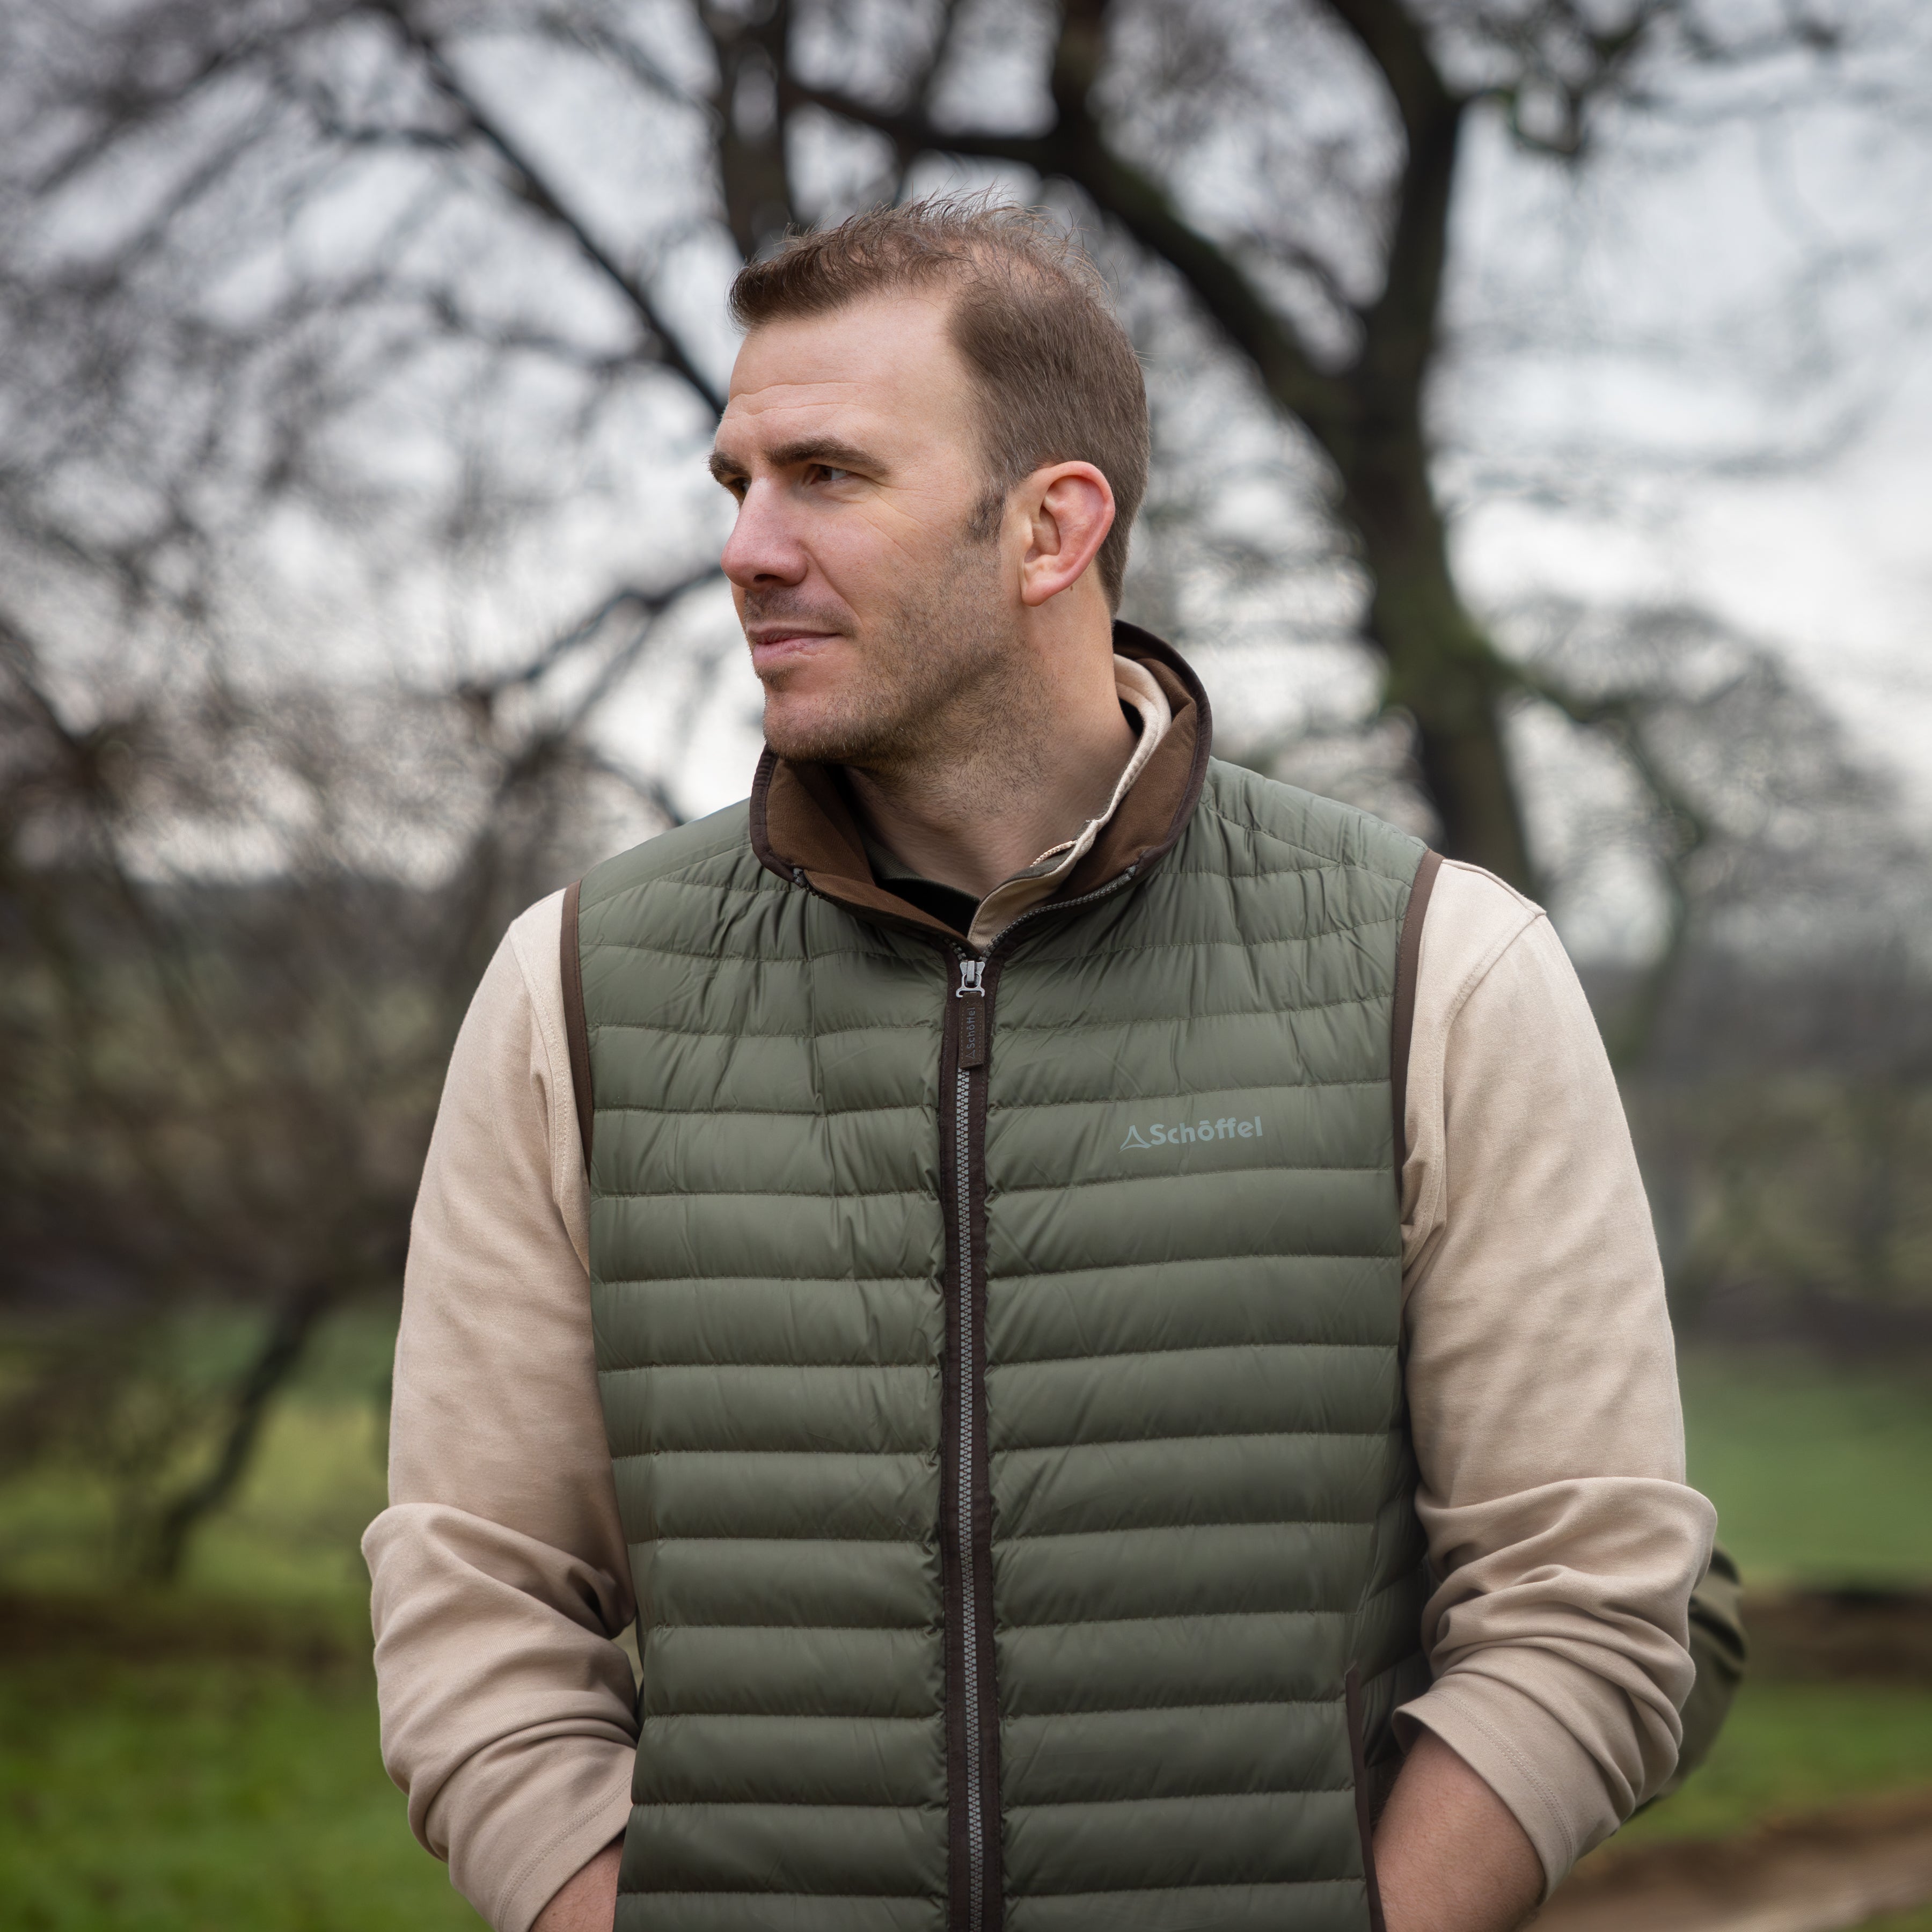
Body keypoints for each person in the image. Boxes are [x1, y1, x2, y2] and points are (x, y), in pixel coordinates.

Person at [364, 200, 1718, 1932]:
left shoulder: (1438, 970)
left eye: (828, 476)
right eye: (737, 484)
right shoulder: (572, 990)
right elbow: (475, 1603)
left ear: (1051, 526)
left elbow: (1586, 1602)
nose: (748, 549)